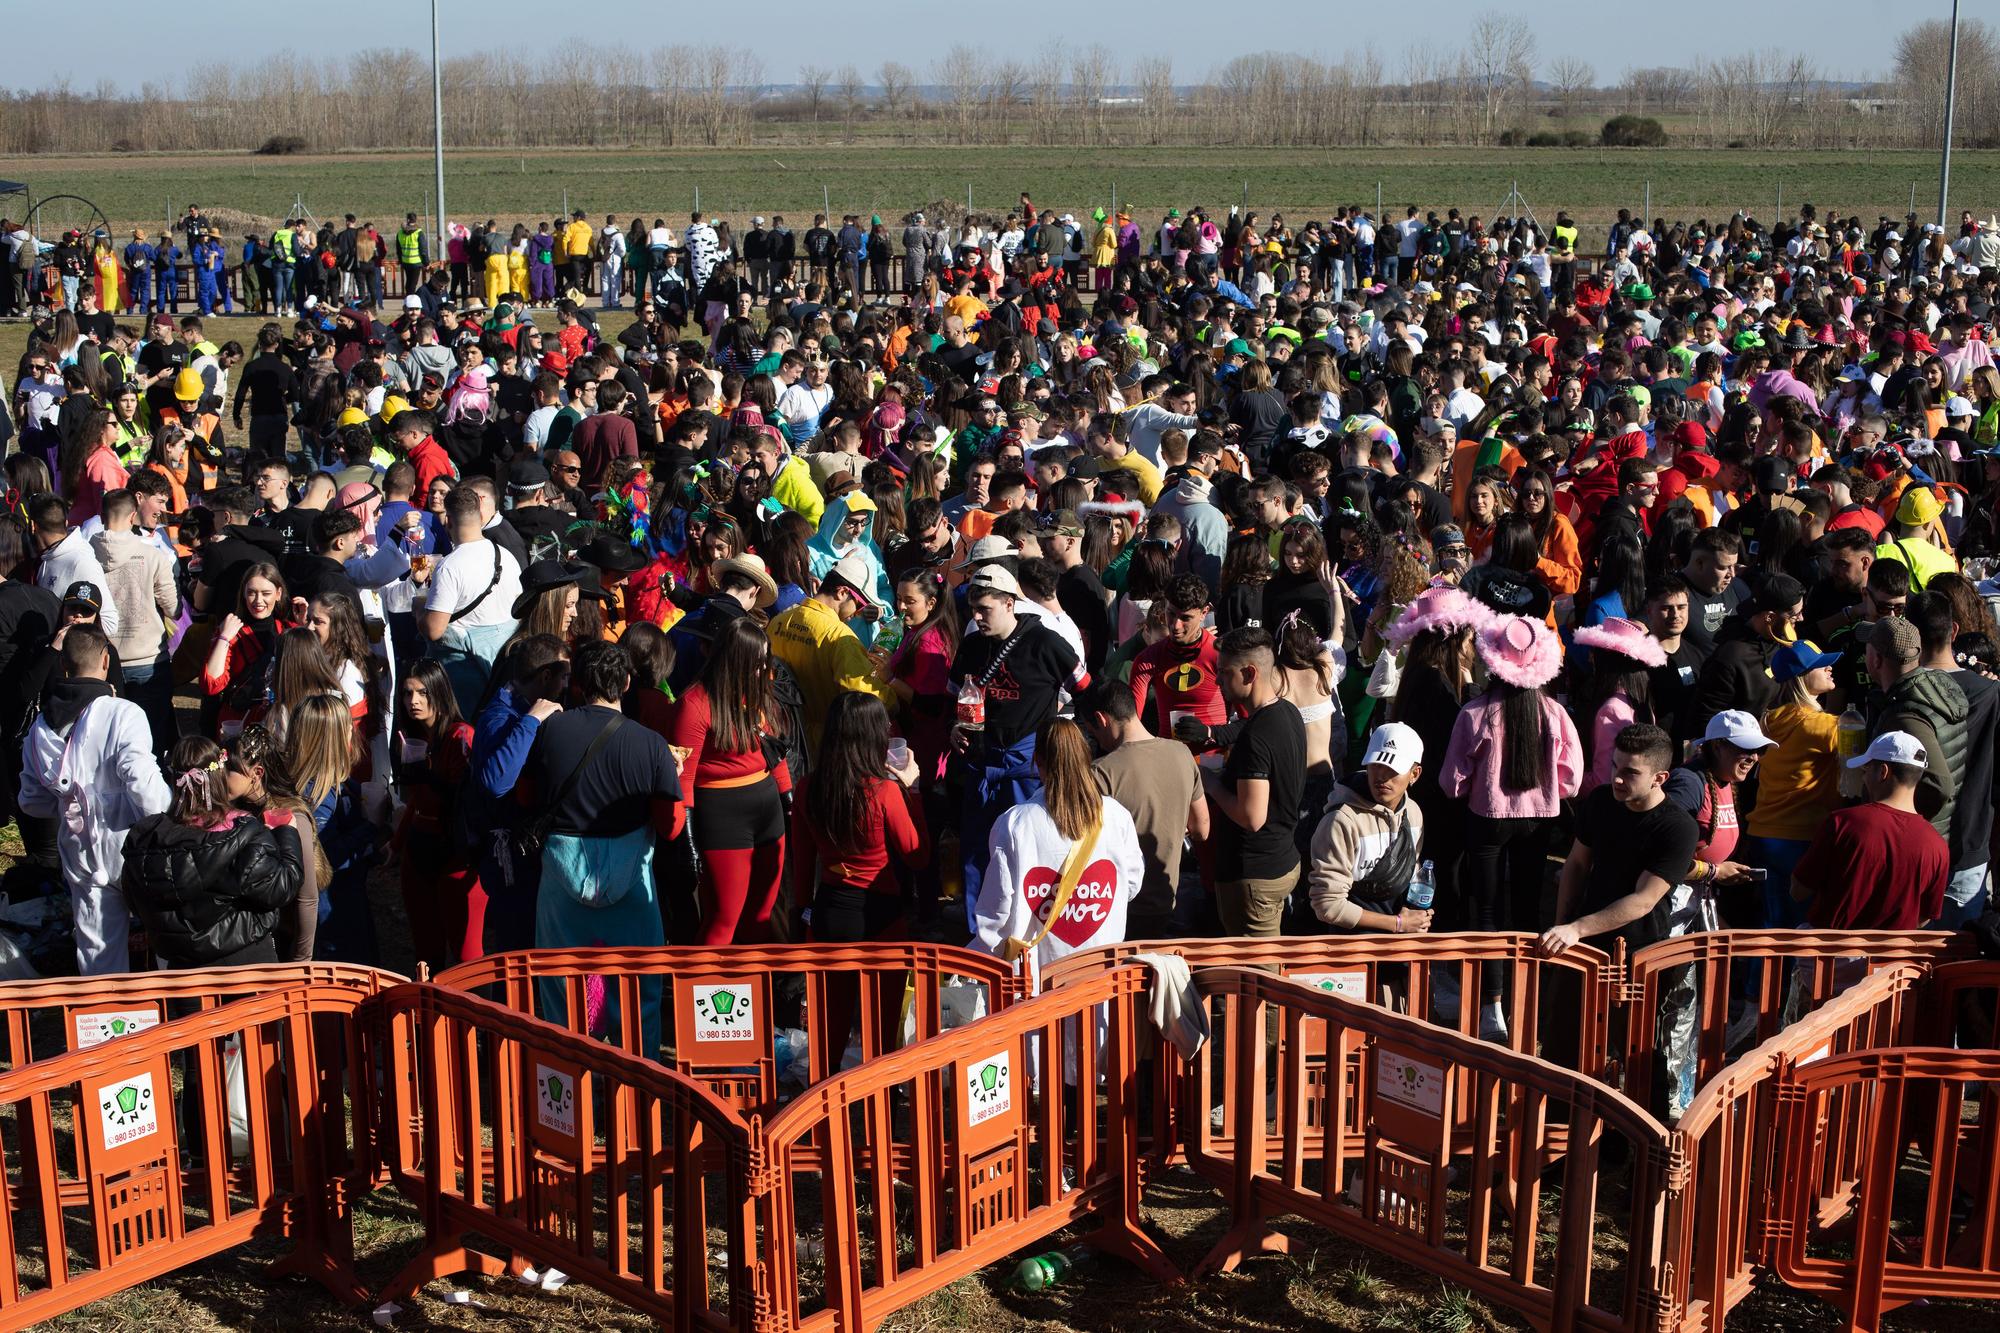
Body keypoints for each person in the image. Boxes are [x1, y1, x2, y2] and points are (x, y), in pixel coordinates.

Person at [525, 641, 685, 1043]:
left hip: (561, 876)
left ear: (577, 683)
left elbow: (525, 796)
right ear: (627, 682)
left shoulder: (550, 730)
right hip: (632, 879)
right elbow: (670, 828)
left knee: (561, 989)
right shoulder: (650, 744)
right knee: (639, 991)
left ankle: (569, 1084)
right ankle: (637, 1086)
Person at [1441, 614, 1582, 1038]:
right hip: (1539, 822)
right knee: (1525, 907)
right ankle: (1527, 998)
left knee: (1485, 909)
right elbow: (1571, 778)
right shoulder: (1555, 712)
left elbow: (1452, 782)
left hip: (1486, 821)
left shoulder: (1475, 713)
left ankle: (1492, 1006)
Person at [17, 624, 171, 973]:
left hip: (80, 849)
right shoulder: (123, 713)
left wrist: (65, 802)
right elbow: (145, 788)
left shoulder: (40, 727)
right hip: (133, 842)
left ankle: (111, 1025)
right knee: (165, 936)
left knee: (98, 949)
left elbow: (30, 800)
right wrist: (168, 818)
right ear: (105, 661)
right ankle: (176, 1020)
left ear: (64, 668)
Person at [949, 564, 1082, 930]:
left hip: (1028, 768)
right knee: (978, 852)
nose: (976, 617)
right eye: (972, 609)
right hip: (982, 762)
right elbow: (956, 700)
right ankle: (979, 936)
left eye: (984, 609)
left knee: (1030, 852)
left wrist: (1065, 746)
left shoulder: (1046, 641)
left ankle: (1031, 932)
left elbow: (1086, 692)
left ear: (1010, 604)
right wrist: (954, 728)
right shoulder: (973, 644)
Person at [972, 716, 1141, 982]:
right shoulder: (1117, 817)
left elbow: (998, 909)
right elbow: (1130, 884)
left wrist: (977, 958)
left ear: (1037, 761)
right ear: (1086, 756)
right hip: (1101, 988)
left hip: (1037, 991)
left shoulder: (1016, 824)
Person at [119, 734, 304, 970]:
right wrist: (286, 833)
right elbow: (282, 886)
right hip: (246, 967)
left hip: (182, 973)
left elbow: (134, 902)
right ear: (219, 775)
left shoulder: (144, 841)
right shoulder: (245, 835)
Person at [662, 618, 792, 945]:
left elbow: (772, 749)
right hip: (723, 816)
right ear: (736, 661)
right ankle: (703, 993)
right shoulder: (694, 704)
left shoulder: (758, 691)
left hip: (767, 809)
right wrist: (686, 837)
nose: (766, 670)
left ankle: (754, 989)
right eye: (758, 663)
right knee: (723, 919)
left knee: (761, 914)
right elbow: (683, 778)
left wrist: (788, 797)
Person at [1542, 723, 1698, 958]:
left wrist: (1576, 928)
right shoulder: (1600, 800)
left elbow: (1644, 900)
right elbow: (1576, 864)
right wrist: (1561, 925)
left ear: (1660, 778)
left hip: (1640, 949)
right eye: (1615, 766)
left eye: (1631, 772)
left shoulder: (1678, 827)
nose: (1617, 779)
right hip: (1584, 939)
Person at [1079, 680, 1207, 942]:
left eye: (1093, 733)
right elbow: (1202, 830)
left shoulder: (1101, 772)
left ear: (1101, 719)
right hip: (1169, 898)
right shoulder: (1182, 753)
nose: (1096, 741)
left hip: (1121, 907)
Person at [1203, 627, 1307, 938]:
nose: (1218, 679)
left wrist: (1211, 783)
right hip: (1282, 859)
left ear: (1249, 673)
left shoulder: (1256, 736)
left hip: (1254, 877)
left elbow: (1252, 817)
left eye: (1224, 672)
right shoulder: (1288, 713)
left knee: (1257, 978)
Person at [1791, 730, 1950, 929]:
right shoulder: (1937, 844)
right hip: (1894, 958)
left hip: (1831, 954)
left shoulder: (1842, 822)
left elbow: (1798, 891)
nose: (1864, 778)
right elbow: (1925, 916)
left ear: (1883, 772)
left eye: (1866, 771)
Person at [1744, 639, 1845, 929]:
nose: (1829, 667)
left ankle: (1758, 978)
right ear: (1802, 678)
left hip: (1763, 834)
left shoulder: (1768, 719)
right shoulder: (1824, 727)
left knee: (1768, 928)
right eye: (1819, 665)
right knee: (1802, 930)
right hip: (1802, 839)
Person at [393, 659, 481, 972]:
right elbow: (417, 803)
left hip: (456, 856)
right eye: (406, 693)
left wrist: (429, 778)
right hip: (418, 852)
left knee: (468, 959)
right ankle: (431, 1019)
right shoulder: (415, 739)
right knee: (426, 956)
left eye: (421, 692)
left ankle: (476, 1020)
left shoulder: (461, 737)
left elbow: (466, 799)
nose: (412, 701)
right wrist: (396, 845)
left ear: (439, 693)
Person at [1302, 722, 1431, 936]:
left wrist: (1416, 917)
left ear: (1414, 774)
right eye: (1376, 764)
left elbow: (1412, 871)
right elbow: (1328, 905)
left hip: (1399, 944)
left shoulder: (1414, 813)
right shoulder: (1341, 821)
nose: (1381, 776)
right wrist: (1398, 923)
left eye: (1392, 768)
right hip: (1352, 949)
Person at [767, 551, 888, 754]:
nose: (858, 613)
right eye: (858, 604)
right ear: (842, 592)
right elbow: (862, 693)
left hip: (781, 735)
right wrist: (895, 699)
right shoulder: (840, 638)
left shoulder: (779, 621)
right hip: (824, 745)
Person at [1863, 613, 1968, 843]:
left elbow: (1939, 785)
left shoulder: (1906, 714)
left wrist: (1901, 821)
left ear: (1877, 660)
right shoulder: (1935, 687)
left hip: (1914, 842)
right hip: (1938, 838)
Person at [422, 484, 523, 713]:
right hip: (501, 668)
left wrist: (419, 609)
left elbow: (434, 631)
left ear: (448, 520)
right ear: (479, 516)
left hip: (465, 677)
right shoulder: (505, 555)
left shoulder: (450, 566)